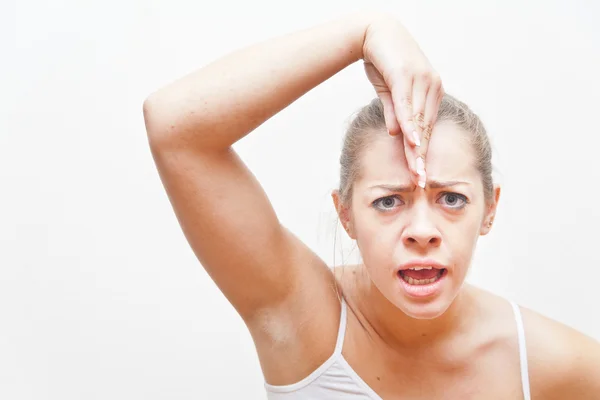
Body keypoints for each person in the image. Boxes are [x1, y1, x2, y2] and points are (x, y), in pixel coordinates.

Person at [142, 11, 600, 399]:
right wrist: (364, 32)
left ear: (490, 209)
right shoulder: (300, 314)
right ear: (346, 214)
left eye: (452, 198)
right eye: (387, 201)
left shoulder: (555, 365)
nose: (423, 230)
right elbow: (173, 125)